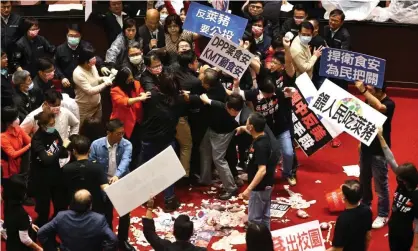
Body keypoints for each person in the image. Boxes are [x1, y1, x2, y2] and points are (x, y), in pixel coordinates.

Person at [138, 70, 183, 211]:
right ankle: (169, 200)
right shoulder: (179, 100)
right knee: (168, 171)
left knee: (147, 169)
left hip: (149, 138)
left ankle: (146, 198)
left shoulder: (151, 96)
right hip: (167, 139)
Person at [89, 119, 135, 251]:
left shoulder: (127, 144)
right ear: (109, 133)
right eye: (118, 134)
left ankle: (122, 240)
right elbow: (93, 164)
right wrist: (104, 180)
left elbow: (126, 160)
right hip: (104, 183)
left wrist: (117, 176)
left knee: (125, 213)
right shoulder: (96, 145)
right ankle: (109, 240)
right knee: (106, 213)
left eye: (122, 133)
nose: (121, 136)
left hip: (121, 181)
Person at [355, 80, 395, 229]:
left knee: (380, 185)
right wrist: (361, 141)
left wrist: (364, 91)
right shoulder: (368, 99)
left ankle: (383, 214)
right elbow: (365, 121)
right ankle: (366, 206)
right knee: (364, 180)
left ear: (380, 91)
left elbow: (380, 107)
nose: (368, 92)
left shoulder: (390, 104)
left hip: (379, 151)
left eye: (371, 90)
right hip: (366, 147)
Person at [198, 68, 238, 200]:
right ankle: (205, 179)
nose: (200, 81)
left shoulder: (214, 96)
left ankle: (231, 188)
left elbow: (218, 105)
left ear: (207, 85)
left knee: (218, 159)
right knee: (204, 149)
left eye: (202, 80)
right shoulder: (217, 83)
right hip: (212, 127)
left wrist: (206, 100)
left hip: (222, 132)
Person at [377, 127, 418, 251]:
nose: (397, 177)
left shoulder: (416, 195)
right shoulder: (402, 182)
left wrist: (416, 246)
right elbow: (391, 159)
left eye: (400, 176)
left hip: (405, 234)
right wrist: (380, 137)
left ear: (407, 179)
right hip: (393, 227)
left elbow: (417, 222)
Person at [37, 189, 118, 251]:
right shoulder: (99, 219)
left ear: (72, 203)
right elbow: (113, 239)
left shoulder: (61, 216)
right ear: (90, 205)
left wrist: (52, 249)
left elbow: (41, 233)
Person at [237, 113, 278, 229]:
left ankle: (257, 243)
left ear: (252, 127)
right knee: (265, 216)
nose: (246, 124)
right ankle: (266, 239)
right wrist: (241, 128)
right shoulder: (262, 136)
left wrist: (248, 189)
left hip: (259, 188)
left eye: (247, 123)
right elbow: (248, 129)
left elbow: (262, 170)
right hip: (267, 184)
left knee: (254, 219)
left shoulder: (260, 146)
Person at [30, 111, 69, 227]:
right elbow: (46, 160)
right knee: (44, 209)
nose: (53, 127)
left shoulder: (54, 132)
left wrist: (55, 152)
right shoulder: (37, 140)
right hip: (41, 178)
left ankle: (56, 223)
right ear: (42, 125)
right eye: (50, 125)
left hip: (56, 173)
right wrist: (59, 149)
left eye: (54, 123)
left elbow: (64, 153)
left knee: (60, 204)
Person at [110, 67, 150, 170]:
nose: (130, 81)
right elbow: (124, 101)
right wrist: (139, 98)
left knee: (137, 147)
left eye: (131, 78)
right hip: (123, 124)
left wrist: (143, 94)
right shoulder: (115, 90)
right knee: (123, 149)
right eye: (128, 79)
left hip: (137, 121)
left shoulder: (136, 83)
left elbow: (141, 91)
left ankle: (134, 168)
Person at [62, 135, 109, 211]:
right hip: (94, 207)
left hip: (74, 207)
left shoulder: (66, 168)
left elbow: (64, 190)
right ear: (89, 150)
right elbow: (105, 188)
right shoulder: (97, 168)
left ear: (74, 151)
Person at [1, 106, 31, 215]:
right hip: (8, 168)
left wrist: (28, 145)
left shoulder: (18, 128)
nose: (18, 119)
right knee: (9, 195)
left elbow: (28, 140)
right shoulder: (3, 137)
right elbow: (12, 154)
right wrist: (27, 147)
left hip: (19, 164)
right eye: (16, 117)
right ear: (9, 121)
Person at [73, 43, 113, 125]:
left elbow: (96, 79)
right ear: (85, 61)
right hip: (84, 108)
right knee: (83, 130)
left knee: (97, 128)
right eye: (92, 58)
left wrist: (103, 79)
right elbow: (90, 91)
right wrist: (105, 84)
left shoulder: (92, 66)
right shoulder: (78, 73)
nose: (94, 59)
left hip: (97, 104)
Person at [327, 179, 372, 251]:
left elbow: (338, 249)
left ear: (344, 198)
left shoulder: (343, 219)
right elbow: (368, 236)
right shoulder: (367, 210)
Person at [4, 175, 42, 251]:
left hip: (11, 243)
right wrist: (39, 248)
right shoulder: (21, 213)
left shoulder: (7, 203)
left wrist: (30, 224)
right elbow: (25, 239)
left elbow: (14, 222)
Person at [54, 24, 91, 98]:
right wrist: (62, 77)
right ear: (66, 35)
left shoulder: (86, 47)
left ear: (80, 36)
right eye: (71, 35)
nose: (73, 38)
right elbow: (55, 66)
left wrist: (102, 66)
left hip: (84, 84)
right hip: (67, 84)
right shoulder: (60, 49)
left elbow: (94, 60)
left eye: (76, 36)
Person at [308, 18, 327, 89]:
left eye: (310, 27)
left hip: (317, 72)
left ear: (316, 28)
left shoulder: (320, 41)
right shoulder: (307, 39)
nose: (307, 29)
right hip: (309, 70)